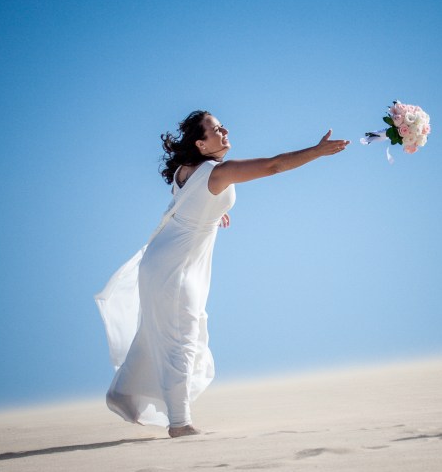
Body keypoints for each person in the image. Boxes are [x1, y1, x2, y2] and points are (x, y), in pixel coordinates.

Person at [96, 110, 350, 437]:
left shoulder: (184, 174)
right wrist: (315, 152)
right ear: (201, 145)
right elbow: (272, 165)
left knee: (160, 335)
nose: (225, 130)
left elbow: (189, 205)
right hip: (176, 269)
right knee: (182, 338)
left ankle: (126, 396)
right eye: (216, 129)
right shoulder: (217, 173)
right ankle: (179, 423)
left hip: (161, 263)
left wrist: (216, 214)